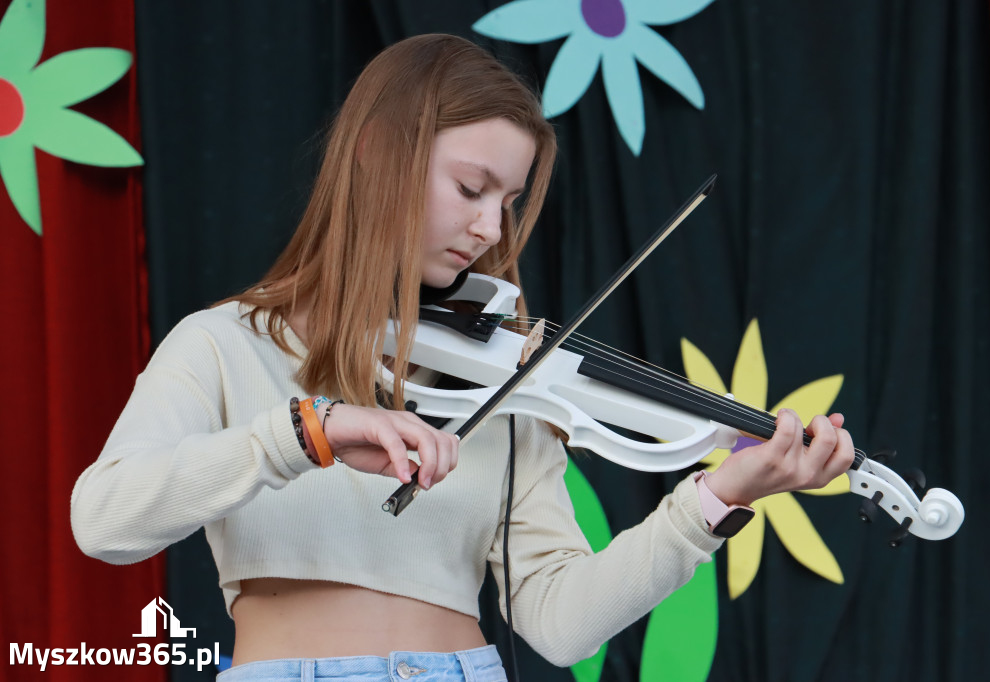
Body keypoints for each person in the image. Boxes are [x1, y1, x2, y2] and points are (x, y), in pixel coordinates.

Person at [70, 33, 854, 682]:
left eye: (508, 202)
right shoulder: (224, 344)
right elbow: (103, 520)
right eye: (471, 187)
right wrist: (306, 432)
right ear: (377, 152)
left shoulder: (507, 377)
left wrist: (716, 498)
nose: (490, 228)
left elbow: (560, 624)